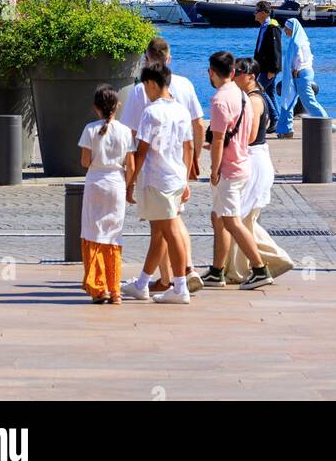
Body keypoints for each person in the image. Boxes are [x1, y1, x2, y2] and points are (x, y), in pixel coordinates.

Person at [122, 37, 205, 293]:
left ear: (150, 81)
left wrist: (130, 181)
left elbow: (140, 147)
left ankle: (180, 283)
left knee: (167, 230)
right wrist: (189, 173)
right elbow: (191, 142)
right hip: (176, 174)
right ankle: (146, 282)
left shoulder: (150, 109)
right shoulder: (181, 107)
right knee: (162, 230)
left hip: (157, 178)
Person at [202, 50, 274, 291]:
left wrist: (214, 169)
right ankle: (216, 271)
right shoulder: (242, 96)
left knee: (231, 220)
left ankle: (259, 268)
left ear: (211, 72)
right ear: (232, 72)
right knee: (220, 217)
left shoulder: (220, 100)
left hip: (230, 168)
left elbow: (220, 139)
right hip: (243, 162)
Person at [224, 58, 295, 284]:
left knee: (240, 217)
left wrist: (226, 141)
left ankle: (272, 260)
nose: (234, 76)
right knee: (244, 218)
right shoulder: (254, 97)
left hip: (253, 160)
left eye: (238, 73)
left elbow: (252, 135)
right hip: (256, 158)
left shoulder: (254, 100)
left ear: (251, 76)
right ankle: (237, 268)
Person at [78, 86, 135, 304]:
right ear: (117, 106)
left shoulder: (89, 129)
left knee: (93, 234)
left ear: (95, 108)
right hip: (116, 184)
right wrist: (129, 187)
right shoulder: (125, 131)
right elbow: (130, 164)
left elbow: (85, 161)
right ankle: (115, 291)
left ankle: (98, 287)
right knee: (113, 236)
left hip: (95, 182)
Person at [275, 18, 333, 139]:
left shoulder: (296, 42)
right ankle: (286, 129)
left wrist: (296, 69)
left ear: (292, 29)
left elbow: (299, 58)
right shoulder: (303, 40)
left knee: (305, 101)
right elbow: (310, 57)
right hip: (305, 72)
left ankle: (326, 124)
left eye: (287, 28)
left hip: (300, 74)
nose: (285, 31)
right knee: (290, 100)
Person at [253, 0, 282, 112]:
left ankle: (274, 117)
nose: (254, 13)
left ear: (264, 13)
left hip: (269, 68)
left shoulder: (272, 27)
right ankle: (278, 120)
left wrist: (273, 69)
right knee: (270, 93)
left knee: (258, 90)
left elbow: (276, 50)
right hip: (263, 67)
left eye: (256, 11)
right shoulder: (264, 27)